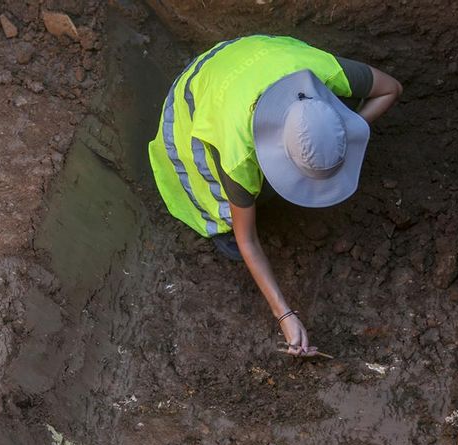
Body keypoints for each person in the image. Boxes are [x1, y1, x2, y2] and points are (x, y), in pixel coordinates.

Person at [148, 35, 401, 356]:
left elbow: (391, 88)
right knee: (226, 220)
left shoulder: (319, 71)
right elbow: (248, 240)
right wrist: (284, 314)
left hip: (242, 60)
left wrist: (345, 133)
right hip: (192, 107)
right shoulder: (236, 152)